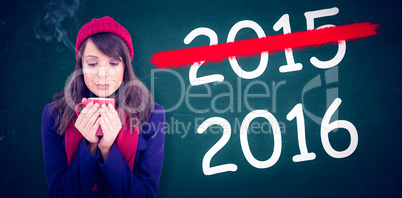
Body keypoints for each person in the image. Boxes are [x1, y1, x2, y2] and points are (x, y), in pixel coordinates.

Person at [41, 16, 165, 198]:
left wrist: (107, 150)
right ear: (81, 66)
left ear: (125, 68)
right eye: (92, 63)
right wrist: (89, 147)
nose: (103, 74)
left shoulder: (152, 114)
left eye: (113, 63)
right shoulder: (54, 114)